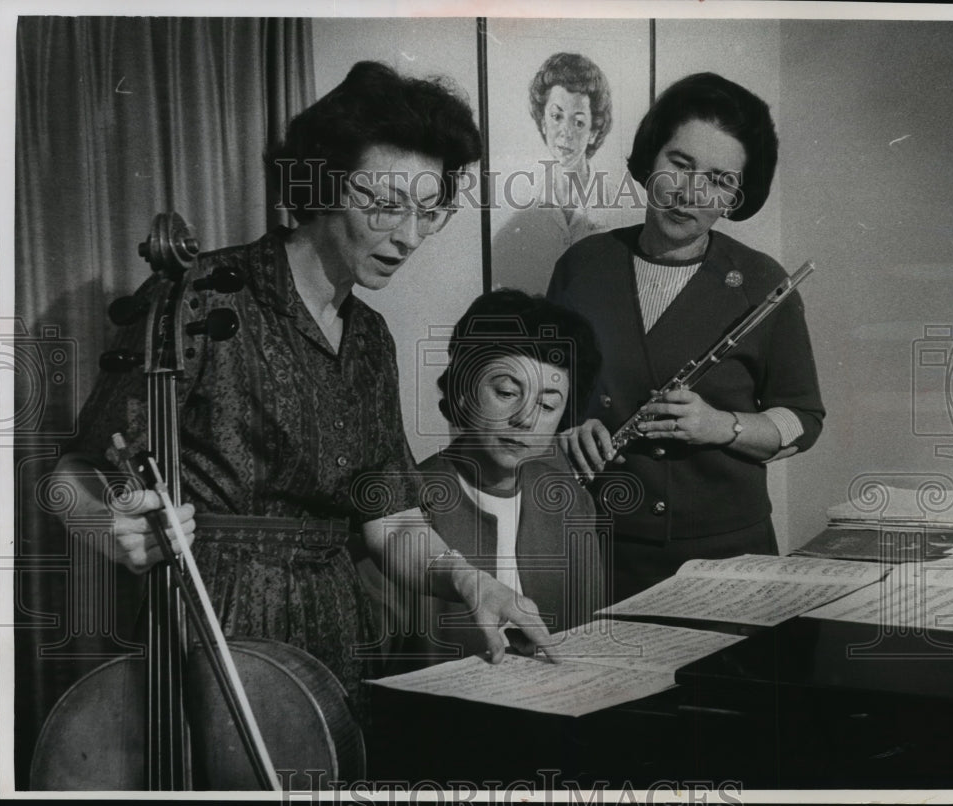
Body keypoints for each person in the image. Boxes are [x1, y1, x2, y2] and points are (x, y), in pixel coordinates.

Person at [55, 61, 557, 733]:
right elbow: (69, 477)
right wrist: (116, 536)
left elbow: (393, 521)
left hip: (333, 649)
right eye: (383, 204)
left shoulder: (370, 338)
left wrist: (468, 580)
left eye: (427, 211)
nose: (408, 236)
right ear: (320, 185)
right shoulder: (196, 296)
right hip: (209, 640)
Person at [547, 72, 825, 603]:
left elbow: (802, 419)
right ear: (652, 158)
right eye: (680, 164)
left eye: (720, 180)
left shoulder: (765, 282)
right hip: (599, 549)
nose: (691, 193)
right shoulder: (582, 267)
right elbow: (545, 401)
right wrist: (567, 433)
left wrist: (722, 426)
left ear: (736, 197)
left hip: (729, 561)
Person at [361, 289, 604, 668]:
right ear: (463, 391)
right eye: (507, 391)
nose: (525, 418)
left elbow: (584, 639)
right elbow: (375, 666)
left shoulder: (571, 500)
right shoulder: (402, 503)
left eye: (547, 404)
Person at [492, 53, 625, 294]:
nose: (565, 133)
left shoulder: (621, 210)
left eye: (578, 122)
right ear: (543, 122)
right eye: (556, 116)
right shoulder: (518, 213)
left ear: (594, 131)